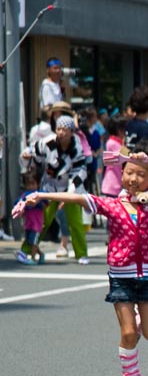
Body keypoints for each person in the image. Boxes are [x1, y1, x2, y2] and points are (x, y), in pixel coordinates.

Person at [16, 140, 148, 376]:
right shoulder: (112, 205)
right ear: (121, 174)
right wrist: (42, 196)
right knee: (127, 334)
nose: (133, 178)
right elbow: (78, 197)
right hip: (121, 278)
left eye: (141, 174)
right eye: (129, 172)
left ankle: (137, 319)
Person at [22, 113, 91, 264]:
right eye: (59, 128)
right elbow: (33, 150)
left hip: (70, 189)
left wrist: (69, 194)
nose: (61, 132)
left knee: (75, 222)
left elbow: (80, 171)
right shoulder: (48, 142)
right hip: (49, 187)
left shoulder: (76, 147)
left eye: (65, 129)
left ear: (72, 132)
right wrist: (27, 155)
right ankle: (27, 249)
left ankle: (81, 253)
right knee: (42, 220)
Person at [14, 172, 47, 265]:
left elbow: (46, 205)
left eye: (33, 184)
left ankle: (32, 258)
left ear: (37, 184)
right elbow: (18, 203)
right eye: (29, 184)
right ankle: (41, 254)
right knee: (30, 241)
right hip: (28, 222)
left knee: (34, 242)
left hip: (37, 223)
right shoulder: (25, 195)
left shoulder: (40, 195)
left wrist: (37, 204)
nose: (31, 186)